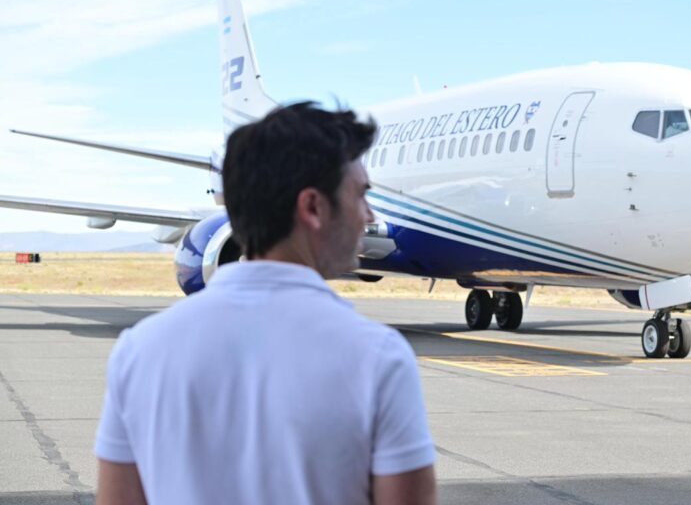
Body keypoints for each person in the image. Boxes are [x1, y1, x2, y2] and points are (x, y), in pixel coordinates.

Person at [94, 102, 437, 505]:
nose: (369, 215)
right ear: (313, 207)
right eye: (360, 195)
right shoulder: (377, 358)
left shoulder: (139, 351)